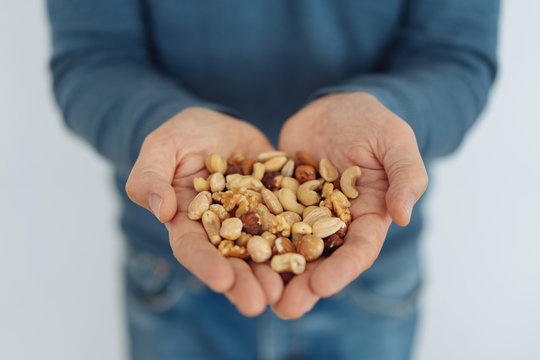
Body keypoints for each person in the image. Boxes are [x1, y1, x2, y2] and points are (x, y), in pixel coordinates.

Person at [46, 1, 499, 359]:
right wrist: (158, 126)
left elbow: (456, 54)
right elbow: (92, 56)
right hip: (173, 263)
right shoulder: (236, 207)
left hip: (373, 261)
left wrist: (392, 117)